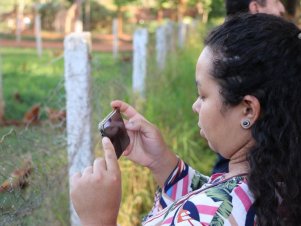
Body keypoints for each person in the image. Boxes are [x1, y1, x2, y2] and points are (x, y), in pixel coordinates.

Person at [70, 14, 301, 226]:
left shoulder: (207, 216)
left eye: (203, 95)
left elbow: (208, 213)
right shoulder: (279, 185)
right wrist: (163, 164)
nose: (195, 106)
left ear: (248, 110)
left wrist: (98, 218)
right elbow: (221, 201)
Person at [212, 0, 286, 174]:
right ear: (256, 8)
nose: (282, 8)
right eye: (276, 1)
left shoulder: (226, 51)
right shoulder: (255, 62)